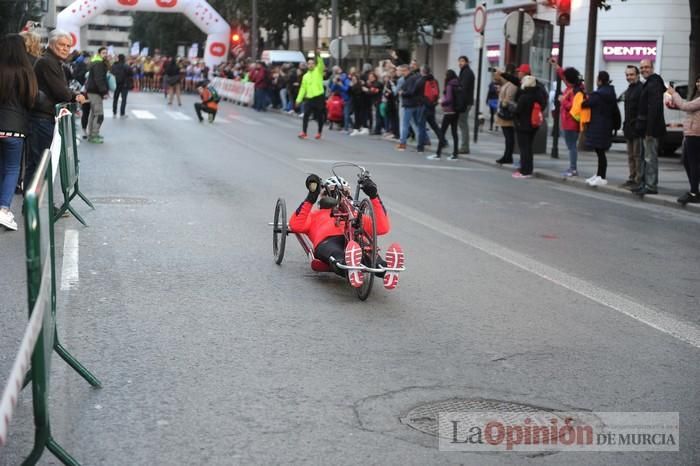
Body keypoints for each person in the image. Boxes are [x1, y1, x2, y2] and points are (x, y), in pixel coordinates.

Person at [288, 173, 404, 290]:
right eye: (331, 193)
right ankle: (349, 267)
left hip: (356, 239)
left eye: (344, 194)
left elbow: (382, 227)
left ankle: (387, 269)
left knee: (369, 254)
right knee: (336, 255)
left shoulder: (355, 215)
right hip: (327, 241)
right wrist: (311, 197)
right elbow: (296, 225)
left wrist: (374, 196)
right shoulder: (315, 215)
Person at [27, 30, 86, 187]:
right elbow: (61, 91)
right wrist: (74, 96)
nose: (65, 48)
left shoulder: (55, 62)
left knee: (40, 163)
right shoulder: (47, 62)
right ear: (52, 44)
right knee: (39, 163)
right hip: (41, 118)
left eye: (68, 45)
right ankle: (31, 207)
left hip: (45, 117)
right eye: (61, 44)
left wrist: (72, 95)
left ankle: (34, 206)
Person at [0, 34, 38, 231]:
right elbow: (31, 100)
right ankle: (4, 209)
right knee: (12, 169)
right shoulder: (26, 71)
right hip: (15, 128)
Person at [633, 59, 666, 196]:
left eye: (646, 67)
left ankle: (651, 186)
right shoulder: (649, 83)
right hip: (645, 128)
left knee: (650, 158)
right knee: (644, 157)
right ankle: (644, 184)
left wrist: (649, 131)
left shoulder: (654, 83)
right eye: (641, 67)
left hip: (650, 129)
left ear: (652, 68)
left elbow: (654, 108)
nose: (643, 69)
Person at [667, 76, 700, 205]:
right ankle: (694, 189)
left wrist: (674, 93)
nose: (698, 84)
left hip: (696, 134)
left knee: (692, 163)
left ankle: (693, 192)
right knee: (689, 162)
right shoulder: (697, 97)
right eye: (697, 81)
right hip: (691, 134)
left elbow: (685, 106)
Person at [582, 71, 617, 187]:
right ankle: (599, 175)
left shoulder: (598, 95)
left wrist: (584, 98)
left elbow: (585, 104)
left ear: (600, 81)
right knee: (600, 152)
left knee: (600, 152)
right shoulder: (611, 93)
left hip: (598, 126)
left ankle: (601, 177)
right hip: (607, 126)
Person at [552, 62, 584, 177]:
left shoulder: (574, 91)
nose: (564, 79)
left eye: (566, 77)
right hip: (568, 121)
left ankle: (573, 168)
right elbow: (564, 76)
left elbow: (573, 106)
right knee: (571, 146)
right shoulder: (573, 87)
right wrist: (557, 67)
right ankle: (572, 168)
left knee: (571, 146)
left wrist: (562, 101)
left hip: (570, 122)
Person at [512, 76, 544, 179]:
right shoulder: (538, 96)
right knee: (529, 148)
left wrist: (512, 110)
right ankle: (529, 169)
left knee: (524, 149)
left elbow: (518, 111)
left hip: (523, 125)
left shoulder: (524, 97)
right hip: (533, 125)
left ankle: (524, 171)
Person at [428, 69, 460, 160]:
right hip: (456, 111)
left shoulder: (450, 85)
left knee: (442, 132)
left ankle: (438, 153)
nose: (444, 77)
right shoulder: (458, 83)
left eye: (445, 75)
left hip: (449, 111)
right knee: (454, 133)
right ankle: (455, 154)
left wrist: (441, 102)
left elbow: (449, 99)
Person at [295, 50, 326, 140]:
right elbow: (302, 89)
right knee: (306, 115)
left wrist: (318, 55)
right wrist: (298, 100)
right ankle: (304, 132)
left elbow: (321, 64)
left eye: (312, 63)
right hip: (309, 98)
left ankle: (319, 132)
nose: (311, 65)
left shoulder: (318, 71)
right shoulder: (305, 76)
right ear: (307, 65)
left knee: (319, 116)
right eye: (309, 64)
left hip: (319, 97)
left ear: (314, 65)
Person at [622, 65, 643, 188]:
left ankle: (638, 179)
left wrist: (637, 125)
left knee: (637, 155)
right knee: (630, 155)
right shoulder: (629, 89)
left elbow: (641, 110)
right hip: (628, 128)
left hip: (637, 128)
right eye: (627, 75)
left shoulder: (641, 89)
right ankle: (632, 177)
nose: (629, 77)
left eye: (631, 74)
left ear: (637, 75)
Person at [85, 47, 109, 143]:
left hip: (93, 90)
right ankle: (94, 135)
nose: (106, 54)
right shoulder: (99, 63)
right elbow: (99, 79)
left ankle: (91, 134)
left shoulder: (96, 61)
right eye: (103, 53)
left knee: (93, 114)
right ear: (99, 54)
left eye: (106, 53)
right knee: (99, 114)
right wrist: (104, 92)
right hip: (95, 91)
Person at [494, 67, 518, 165]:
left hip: (507, 113)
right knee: (507, 136)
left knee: (509, 136)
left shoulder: (512, 84)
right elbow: (497, 80)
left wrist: (504, 103)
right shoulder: (507, 83)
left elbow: (509, 97)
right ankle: (506, 155)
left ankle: (508, 156)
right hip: (504, 112)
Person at [457, 56, 475, 154]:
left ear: (467, 62)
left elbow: (463, 88)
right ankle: (464, 146)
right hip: (465, 101)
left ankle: (464, 147)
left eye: (462, 61)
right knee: (462, 123)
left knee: (463, 124)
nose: (460, 63)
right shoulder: (464, 71)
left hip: (465, 102)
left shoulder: (467, 72)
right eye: (459, 61)